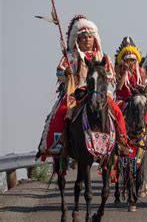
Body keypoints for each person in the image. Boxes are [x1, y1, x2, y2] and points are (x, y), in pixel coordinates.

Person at [37, 15, 130, 158]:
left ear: (95, 39)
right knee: (62, 111)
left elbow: (111, 75)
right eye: (84, 37)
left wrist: (103, 77)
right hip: (76, 92)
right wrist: (66, 72)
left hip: (98, 92)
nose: (87, 40)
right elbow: (59, 71)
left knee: (116, 111)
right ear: (78, 40)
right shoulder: (71, 56)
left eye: (90, 37)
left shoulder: (102, 57)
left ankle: (121, 142)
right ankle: (58, 143)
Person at [114, 36, 145, 108]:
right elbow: (118, 88)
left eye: (133, 60)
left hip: (137, 99)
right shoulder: (119, 70)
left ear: (136, 60)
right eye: (128, 60)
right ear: (124, 61)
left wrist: (142, 88)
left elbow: (143, 88)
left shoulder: (141, 71)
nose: (131, 62)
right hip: (123, 100)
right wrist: (125, 73)